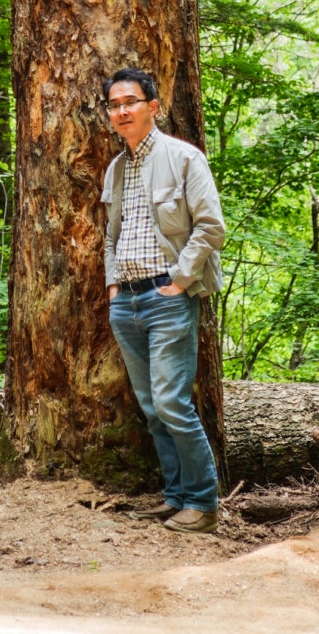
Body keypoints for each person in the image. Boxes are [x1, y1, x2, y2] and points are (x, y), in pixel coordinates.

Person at [101, 66, 226, 535]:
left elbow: (211, 226)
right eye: (114, 105)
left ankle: (204, 502)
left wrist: (177, 280)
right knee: (152, 408)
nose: (122, 111)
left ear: (153, 106)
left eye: (130, 101)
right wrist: (114, 287)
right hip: (127, 303)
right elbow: (110, 237)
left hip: (167, 298)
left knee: (173, 403)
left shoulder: (183, 158)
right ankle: (176, 498)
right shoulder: (116, 169)